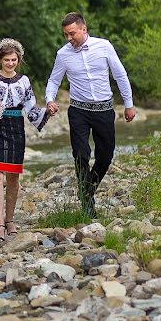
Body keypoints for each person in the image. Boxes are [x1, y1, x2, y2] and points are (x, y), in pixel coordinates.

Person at [45, 12, 136, 218]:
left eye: (72, 34)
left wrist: (129, 105)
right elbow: (53, 80)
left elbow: (120, 74)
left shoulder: (104, 46)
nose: (69, 38)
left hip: (104, 110)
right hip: (78, 111)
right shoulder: (63, 54)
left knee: (105, 156)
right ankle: (88, 204)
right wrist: (50, 99)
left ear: (83, 29)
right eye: (66, 35)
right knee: (80, 154)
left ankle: (87, 189)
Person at [0, 38, 49, 243]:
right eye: (7, 59)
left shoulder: (24, 81)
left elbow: (31, 107)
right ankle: (0, 225)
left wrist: (48, 112)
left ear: (19, 60)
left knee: (13, 178)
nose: (10, 63)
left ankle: (10, 220)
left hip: (16, 126)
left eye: (14, 59)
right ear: (0, 59)